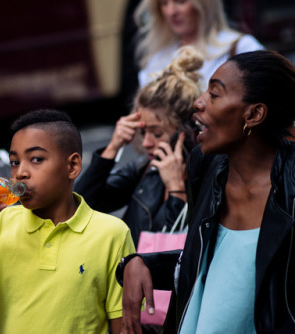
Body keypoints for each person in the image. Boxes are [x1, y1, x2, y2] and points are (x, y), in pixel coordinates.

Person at [117, 50, 295, 333]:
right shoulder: (206, 164)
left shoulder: (291, 186)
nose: (198, 103)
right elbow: (204, 260)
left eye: (214, 95)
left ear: (254, 114)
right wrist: (140, 263)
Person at [0, 109, 136, 333]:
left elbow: (124, 327)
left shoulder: (112, 233)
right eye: (14, 162)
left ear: (72, 166)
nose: (20, 172)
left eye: (36, 159)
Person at [75, 46, 202, 247]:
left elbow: (172, 249)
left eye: (157, 133)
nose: (146, 143)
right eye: (143, 132)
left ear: (186, 131)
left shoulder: (208, 175)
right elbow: (82, 205)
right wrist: (113, 148)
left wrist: (176, 190)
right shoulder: (145, 169)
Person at [134, 0, 263, 89]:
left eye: (181, 1)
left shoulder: (242, 47)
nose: (171, 12)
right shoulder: (158, 58)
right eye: (164, 3)